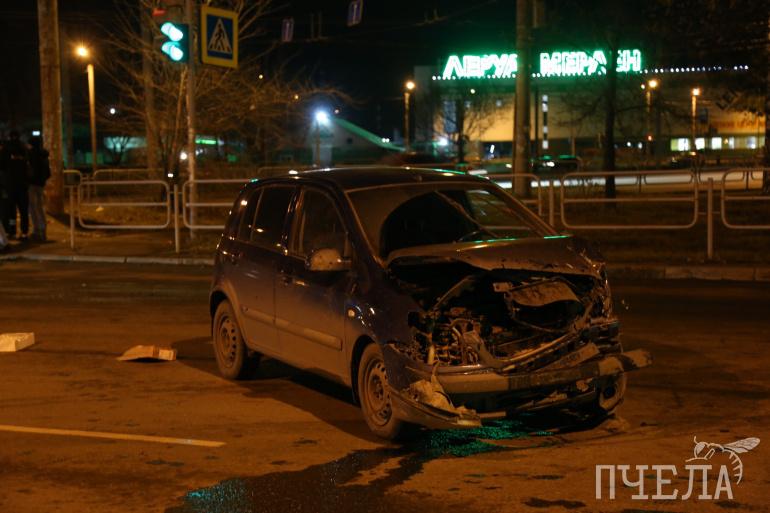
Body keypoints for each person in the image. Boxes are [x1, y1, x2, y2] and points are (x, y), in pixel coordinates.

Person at [0, 131, 30, 239]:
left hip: (10, 185)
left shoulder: (6, 150)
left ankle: (11, 230)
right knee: (23, 211)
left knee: (11, 211)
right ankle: (24, 232)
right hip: (23, 186)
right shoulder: (24, 149)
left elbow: (1, 165)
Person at [27, 136, 50, 241]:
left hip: (31, 184)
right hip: (41, 184)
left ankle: (36, 231)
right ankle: (43, 231)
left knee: (32, 208)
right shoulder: (44, 155)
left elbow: (27, 169)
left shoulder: (30, 154)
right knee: (40, 207)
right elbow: (48, 172)